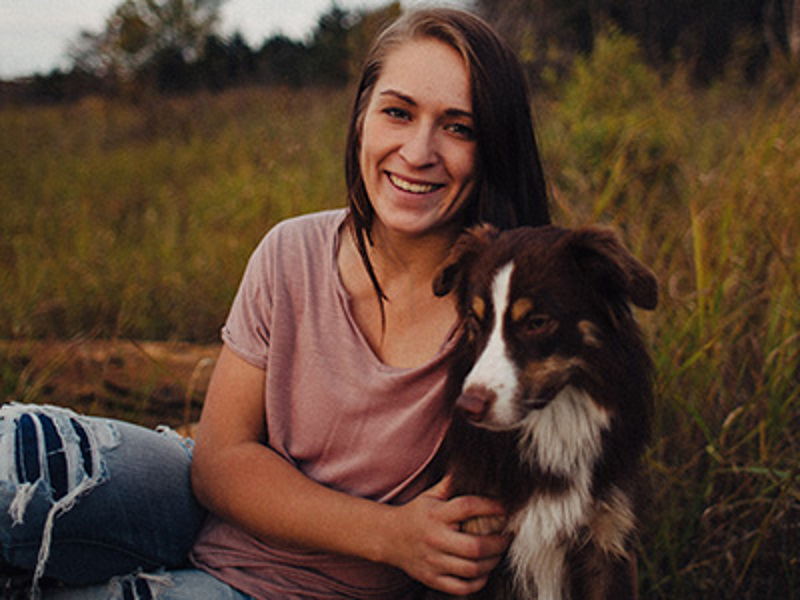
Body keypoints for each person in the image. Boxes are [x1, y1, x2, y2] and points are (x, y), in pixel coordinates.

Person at [0, 7, 550, 599]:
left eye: (459, 128)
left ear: (495, 148)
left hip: (298, 590)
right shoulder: (292, 250)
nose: (418, 151)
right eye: (397, 112)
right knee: (17, 454)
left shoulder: (509, 319)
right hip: (208, 512)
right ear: (361, 120)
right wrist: (391, 534)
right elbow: (218, 462)